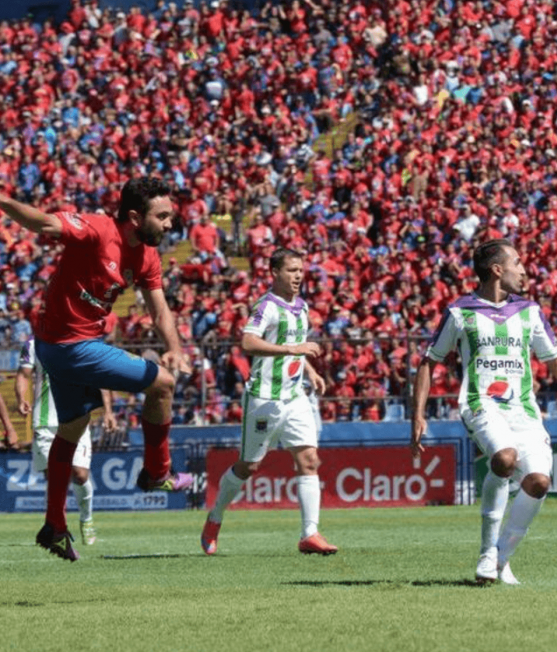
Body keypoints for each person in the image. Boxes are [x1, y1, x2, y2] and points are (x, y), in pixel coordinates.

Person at [0, 177, 193, 562]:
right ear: (135, 217)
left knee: (72, 429)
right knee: (163, 384)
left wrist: (174, 348)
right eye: (162, 216)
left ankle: (54, 526)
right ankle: (158, 473)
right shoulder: (97, 229)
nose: (170, 223)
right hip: (71, 346)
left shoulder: (148, 255)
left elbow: (159, 310)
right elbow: (43, 223)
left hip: (60, 348)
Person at [411, 239, 557, 585]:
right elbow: (428, 361)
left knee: (539, 482)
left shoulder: (530, 311)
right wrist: (418, 414)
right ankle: (487, 552)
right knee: (504, 458)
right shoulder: (460, 312)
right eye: (518, 262)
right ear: (498, 270)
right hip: (480, 403)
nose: (525, 270)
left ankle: (502, 557)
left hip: (524, 411)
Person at [201, 247, 336, 556]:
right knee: (249, 466)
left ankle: (310, 534)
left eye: (300, 270)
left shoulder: (301, 306)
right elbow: (248, 342)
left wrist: (310, 370)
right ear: (275, 273)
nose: (298, 276)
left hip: (295, 396)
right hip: (264, 397)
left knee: (309, 460)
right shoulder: (267, 306)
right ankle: (215, 517)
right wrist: (292, 351)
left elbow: (294, 346)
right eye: (291, 270)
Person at [15, 337, 117, 544]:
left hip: (76, 418)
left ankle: (86, 519)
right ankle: (57, 527)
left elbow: (99, 377)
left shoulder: (82, 340)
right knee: (53, 478)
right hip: (45, 421)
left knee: (80, 474)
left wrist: (108, 411)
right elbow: (23, 374)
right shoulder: (33, 344)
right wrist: (20, 398)